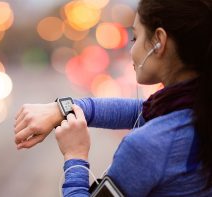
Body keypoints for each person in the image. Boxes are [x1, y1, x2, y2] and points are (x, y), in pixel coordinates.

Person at [14, 0, 212, 196]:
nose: (131, 50)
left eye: (135, 37)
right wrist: (62, 109)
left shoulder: (148, 146)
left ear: (159, 41)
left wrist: (75, 156)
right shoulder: (196, 107)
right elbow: (139, 110)